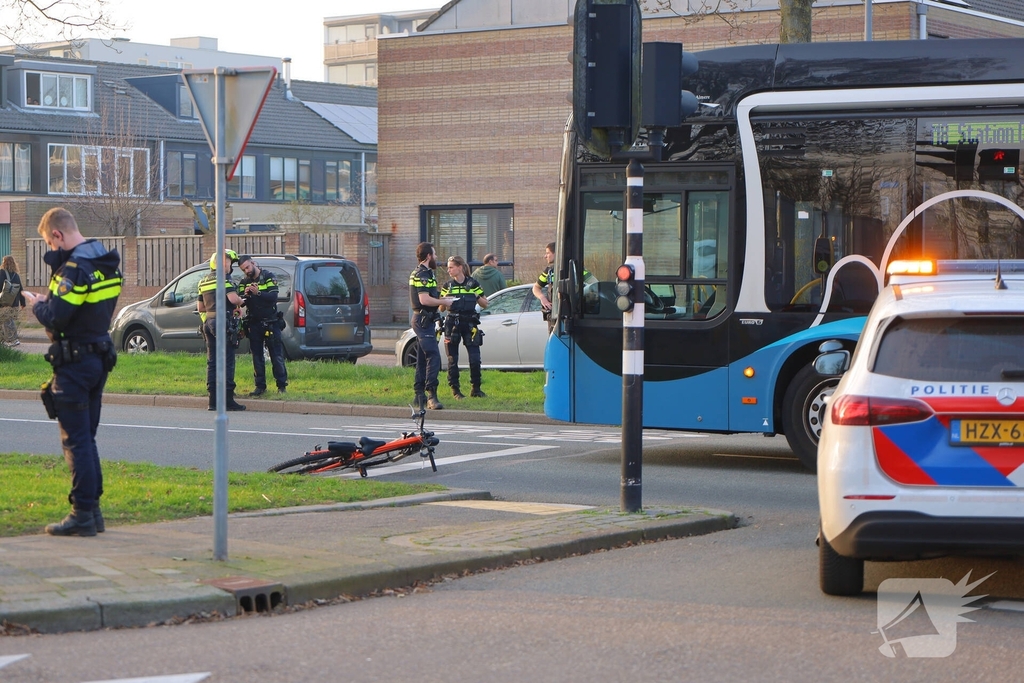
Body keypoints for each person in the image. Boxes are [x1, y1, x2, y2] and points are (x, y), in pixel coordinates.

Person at [20, 208, 122, 537]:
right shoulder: (105, 261)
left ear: (58, 235)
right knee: (86, 438)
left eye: (50, 241)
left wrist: (37, 304)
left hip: (75, 363)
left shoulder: (75, 268)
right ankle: (93, 512)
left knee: (75, 441)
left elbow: (57, 316)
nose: (51, 248)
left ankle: (82, 514)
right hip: (98, 356)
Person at [197, 250, 247, 412]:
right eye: (228, 263)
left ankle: (212, 401)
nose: (230, 267)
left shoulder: (203, 281)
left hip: (209, 322)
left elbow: (201, 307)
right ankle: (228, 400)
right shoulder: (224, 279)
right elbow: (233, 299)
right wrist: (241, 302)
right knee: (227, 360)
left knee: (212, 362)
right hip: (223, 322)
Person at [409, 242, 455, 410]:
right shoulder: (422, 274)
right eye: (434, 254)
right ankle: (431, 396)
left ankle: (418, 394)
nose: (436, 257)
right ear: (428, 256)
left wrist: (442, 300)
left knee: (422, 357)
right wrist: (444, 301)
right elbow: (424, 300)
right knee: (433, 356)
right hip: (422, 320)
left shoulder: (426, 273)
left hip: (426, 320)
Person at [237, 255, 287, 396]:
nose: (246, 271)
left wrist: (258, 292)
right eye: (243, 269)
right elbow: (241, 302)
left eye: (247, 267)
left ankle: (282, 386)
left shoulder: (268, 276)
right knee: (256, 356)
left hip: (271, 322)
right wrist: (245, 296)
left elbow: (273, 298)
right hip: (254, 323)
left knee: (276, 355)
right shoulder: (243, 282)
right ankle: (260, 387)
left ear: (253, 263)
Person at [440, 255, 489, 399]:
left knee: (475, 358)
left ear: (460, 267)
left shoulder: (473, 283)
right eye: (448, 267)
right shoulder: (447, 286)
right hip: (452, 323)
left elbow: (485, 303)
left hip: (469, 323)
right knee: (452, 359)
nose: (448, 270)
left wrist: (476, 296)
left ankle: (476, 389)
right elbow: (441, 308)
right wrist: (445, 299)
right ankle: (455, 390)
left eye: (451, 267)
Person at [1, 254, 26, 345]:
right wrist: (23, 303)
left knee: (7, 321)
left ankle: (13, 340)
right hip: (14, 303)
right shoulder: (16, 275)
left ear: (4, 263)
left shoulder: (2, 273)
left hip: (4, 303)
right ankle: (3, 340)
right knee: (5, 320)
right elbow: (21, 289)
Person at [532, 242, 556, 322]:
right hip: (553, 315)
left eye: (548, 253)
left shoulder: (574, 268)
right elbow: (536, 287)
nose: (545, 256)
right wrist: (542, 298)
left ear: (556, 253)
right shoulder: (549, 270)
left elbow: (593, 284)